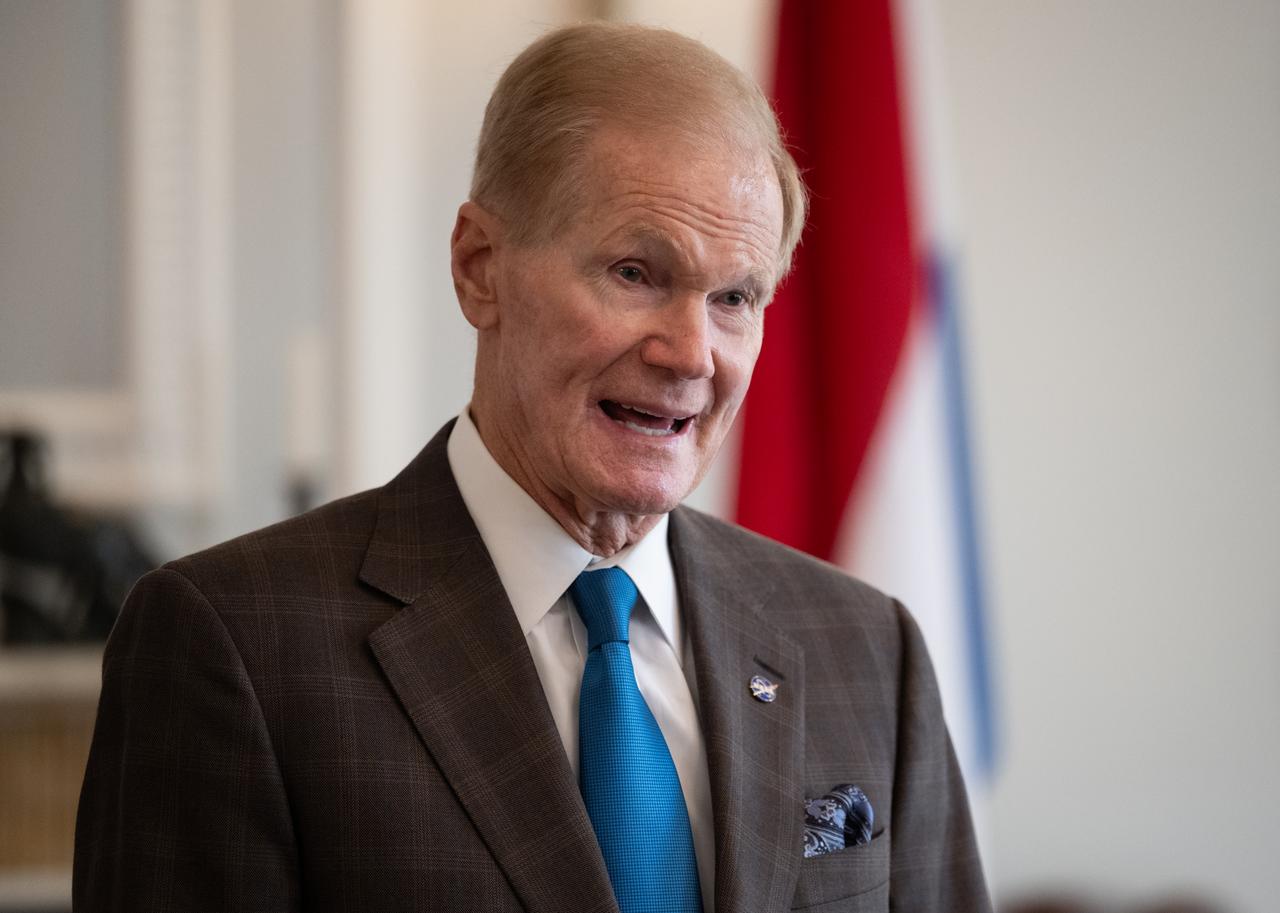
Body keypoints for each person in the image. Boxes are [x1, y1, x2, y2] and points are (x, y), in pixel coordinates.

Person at [74, 22, 990, 913]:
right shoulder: (232, 644)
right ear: (479, 267)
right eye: (635, 271)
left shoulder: (868, 648)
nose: (690, 353)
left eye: (734, 296)